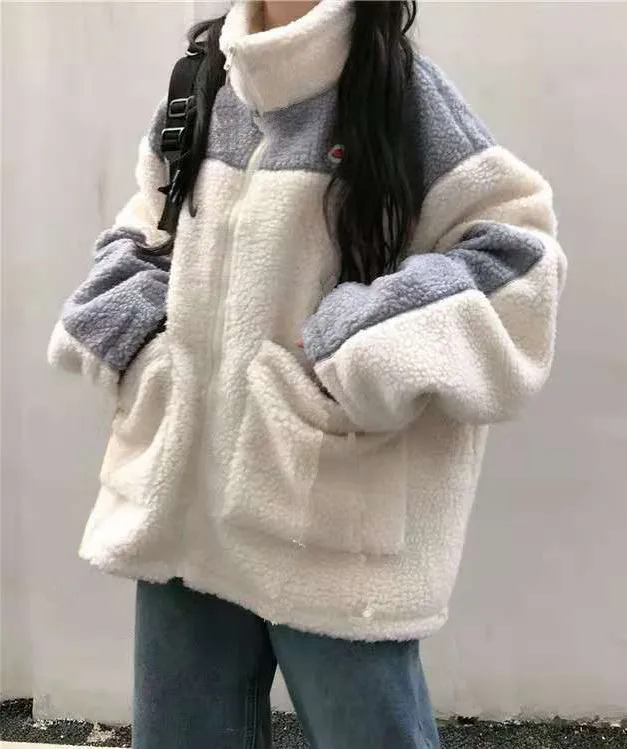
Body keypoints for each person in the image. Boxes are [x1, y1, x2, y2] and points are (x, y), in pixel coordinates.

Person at [47, 1, 567, 747]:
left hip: (328, 509)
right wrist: (141, 330)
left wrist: (353, 347)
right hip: (184, 508)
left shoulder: (397, 94)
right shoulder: (203, 85)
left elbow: (518, 257)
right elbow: (152, 219)